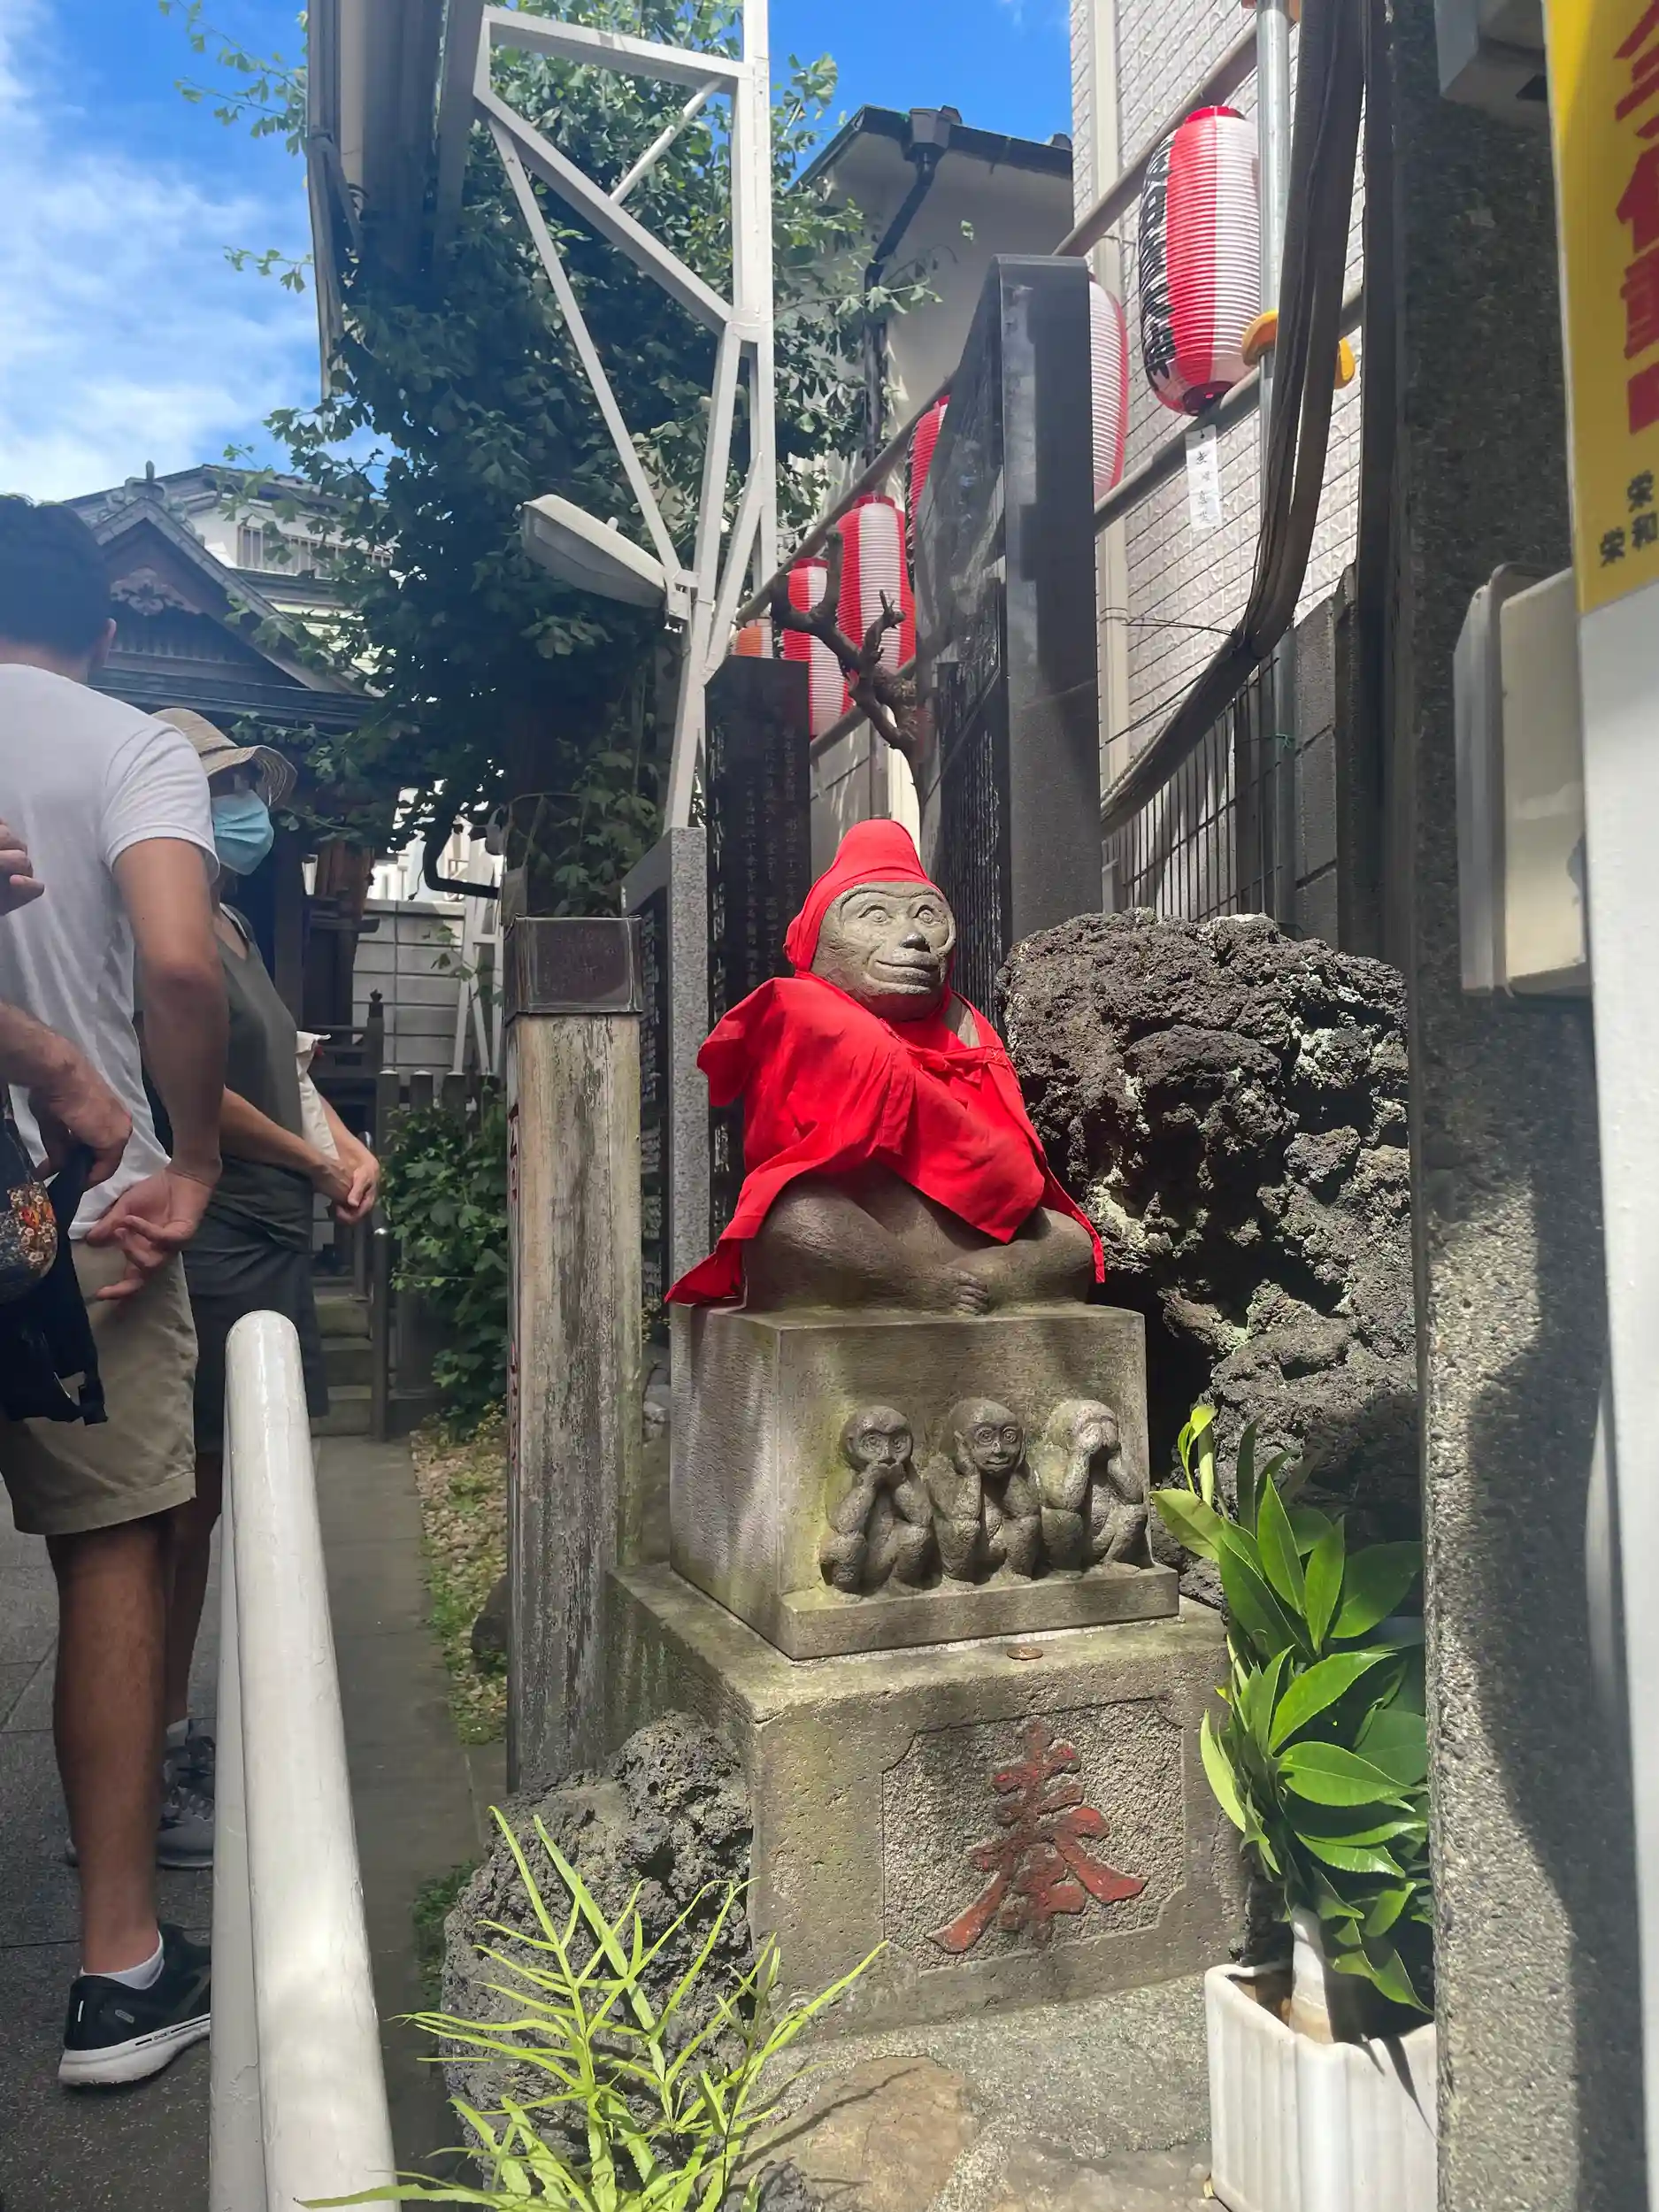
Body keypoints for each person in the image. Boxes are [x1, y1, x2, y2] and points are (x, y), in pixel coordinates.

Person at [0, 496, 227, 2088]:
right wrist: (193, 1156)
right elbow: (181, 964)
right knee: (111, 1557)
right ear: (105, 622)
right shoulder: (131, 746)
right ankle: (119, 1969)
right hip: (90, 1218)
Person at [155, 709, 379, 1839]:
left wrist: (342, 1140)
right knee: (182, 1507)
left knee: (232, 1490)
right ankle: (156, 1755)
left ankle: (188, 1730)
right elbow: (190, 1085)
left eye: (248, 785)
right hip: (216, 1237)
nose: (245, 807)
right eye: (222, 786)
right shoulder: (158, 926)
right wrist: (310, 1156)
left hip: (269, 1231)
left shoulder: (231, 921)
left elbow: (281, 1068)